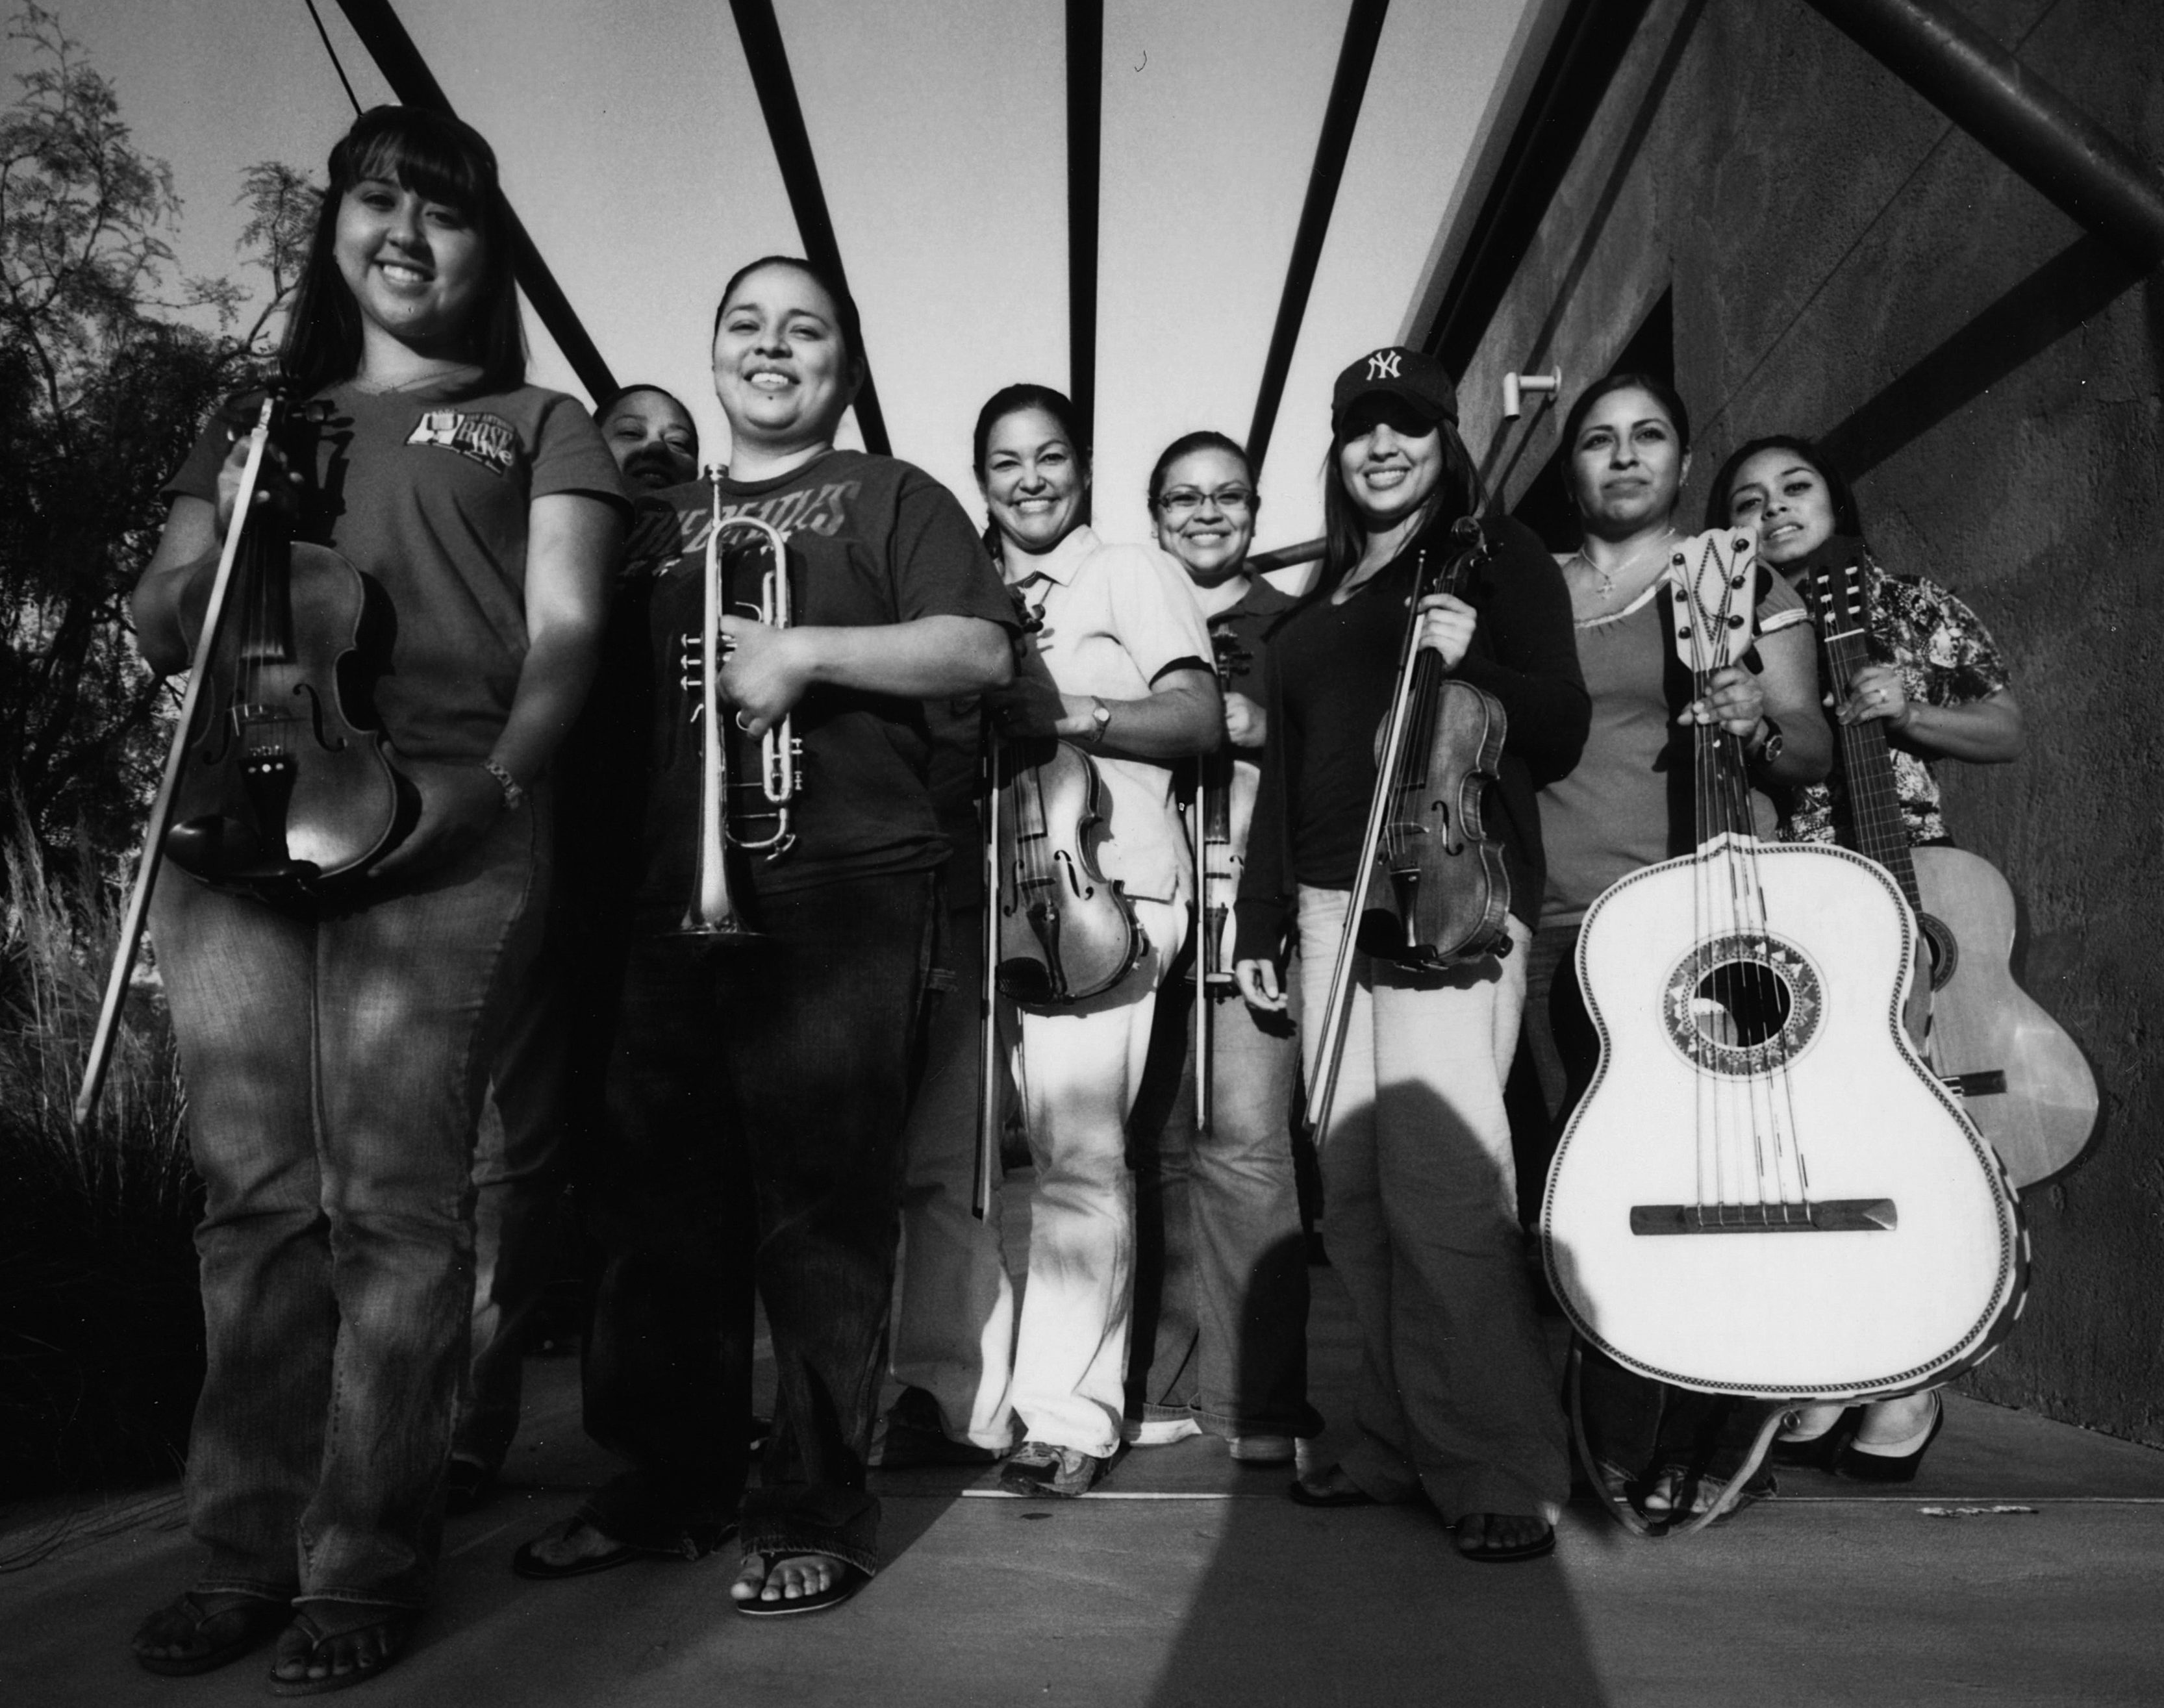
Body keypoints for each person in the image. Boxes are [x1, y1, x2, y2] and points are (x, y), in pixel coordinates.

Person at [125, 106, 627, 1690]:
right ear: (334, 228)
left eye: (447, 212)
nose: (406, 233)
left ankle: (364, 1558)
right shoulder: (251, 416)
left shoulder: (542, 421)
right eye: (375, 201)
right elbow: (158, 622)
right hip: (243, 825)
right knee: (256, 1207)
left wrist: (498, 785)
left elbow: (565, 642)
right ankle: (239, 1550)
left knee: (400, 1210)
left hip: (444, 827)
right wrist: (223, 553)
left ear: (489, 250)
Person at [512, 257, 1015, 1614]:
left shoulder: (892, 493)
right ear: (713, 350)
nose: (772, 346)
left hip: (840, 880)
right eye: (747, 324)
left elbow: (978, 653)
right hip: (654, 895)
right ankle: (664, 1484)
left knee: (818, 1209)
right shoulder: (644, 515)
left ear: (844, 360)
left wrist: (805, 659)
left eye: (805, 327)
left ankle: (812, 1502)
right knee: (651, 1213)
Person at [1233, 346, 1588, 1563]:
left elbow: (1562, 724)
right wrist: (1260, 915)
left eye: (1409, 426)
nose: (1383, 446)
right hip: (1331, 906)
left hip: (1446, 891)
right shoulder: (1326, 588)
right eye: (1361, 429)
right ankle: (1392, 1441)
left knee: (1446, 1189)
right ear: (1336, 452)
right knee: (1359, 1199)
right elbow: (1284, 770)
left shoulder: (1497, 558)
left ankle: (1498, 1460)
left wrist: (1471, 649)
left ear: (1446, 439)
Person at [891, 384, 1220, 1498]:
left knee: (1080, 1158)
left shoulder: (1135, 572)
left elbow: (1199, 717)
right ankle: (950, 1393)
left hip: (1101, 897)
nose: (1028, 480)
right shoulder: (961, 593)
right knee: (943, 1160)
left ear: (1082, 465)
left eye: (1049, 457)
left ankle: (1068, 1412)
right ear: (978, 477)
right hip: (970, 899)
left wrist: (1074, 713)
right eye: (1003, 463)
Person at [1521, 374, 1831, 1525]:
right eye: (1598, 441)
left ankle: (1726, 1397)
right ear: (1571, 472)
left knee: (1723, 1172)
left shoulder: (1735, 576)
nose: (1623, 455)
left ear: (1683, 459)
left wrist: (1758, 715)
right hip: (1560, 923)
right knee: (1595, 1178)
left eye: (1648, 435)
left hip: (1708, 918)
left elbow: (1805, 749)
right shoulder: (1534, 590)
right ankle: (1619, 1382)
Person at [1707, 432, 2023, 1481]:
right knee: (1817, 1139)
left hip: (1912, 883)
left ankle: (1912, 1376)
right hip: (1797, 887)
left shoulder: (1908, 600)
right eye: (1748, 501)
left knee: (1915, 1134)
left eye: (1794, 486)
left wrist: (1911, 707)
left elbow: (2005, 724)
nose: (1775, 509)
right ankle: (1843, 1353)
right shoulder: (1726, 613)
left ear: (1833, 497)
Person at [447, 384, 706, 1516]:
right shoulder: (533, 552)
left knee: (603, 1168)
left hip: (646, 902)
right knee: (479, 1157)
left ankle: (607, 1425)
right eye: (632, 435)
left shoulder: (708, 567)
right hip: (524, 868)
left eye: (679, 443)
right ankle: (434, 1421)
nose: (657, 453)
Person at [1120, 431, 1321, 1464]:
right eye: (1183, 498)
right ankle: (1159, 1378)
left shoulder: (1294, 622)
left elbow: (1343, 752)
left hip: (1249, 904)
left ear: (1253, 509)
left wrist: (1261, 728)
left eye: (1227, 497)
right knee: (1151, 1148)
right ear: (1154, 514)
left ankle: (1257, 1401)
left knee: (1245, 1146)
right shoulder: (1126, 611)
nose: (1206, 514)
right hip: (1138, 910)